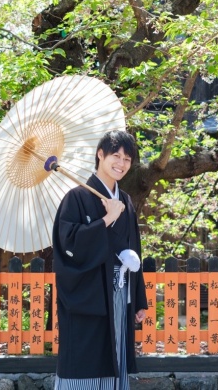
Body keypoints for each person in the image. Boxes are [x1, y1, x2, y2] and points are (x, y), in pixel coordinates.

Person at [52, 130, 148, 390]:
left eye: (127, 159)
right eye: (115, 156)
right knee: (86, 359)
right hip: (89, 296)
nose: (121, 163)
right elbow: (68, 244)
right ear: (100, 155)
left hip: (120, 291)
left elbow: (133, 250)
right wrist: (105, 221)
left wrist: (138, 298)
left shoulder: (125, 200)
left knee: (117, 356)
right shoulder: (77, 198)